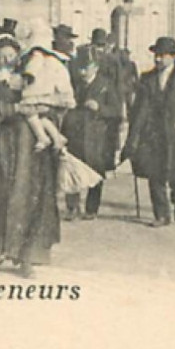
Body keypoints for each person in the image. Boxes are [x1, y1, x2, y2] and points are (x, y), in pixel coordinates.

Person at [0, 29, 69, 276]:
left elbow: (46, 98)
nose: (7, 60)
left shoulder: (28, 74)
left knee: (31, 198)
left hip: (29, 145)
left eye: (12, 55)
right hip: (1, 143)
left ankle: (27, 256)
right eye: (2, 56)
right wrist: (18, 107)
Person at [122, 36, 175, 226]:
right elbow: (138, 109)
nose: (158, 59)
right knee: (155, 173)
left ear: (172, 57)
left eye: (162, 56)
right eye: (156, 55)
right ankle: (161, 214)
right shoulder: (147, 78)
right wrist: (133, 135)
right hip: (152, 133)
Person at [65, 27, 123, 219]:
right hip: (75, 132)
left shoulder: (106, 84)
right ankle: (73, 207)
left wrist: (99, 108)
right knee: (72, 169)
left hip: (97, 134)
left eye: (86, 68)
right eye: (81, 68)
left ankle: (91, 208)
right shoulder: (74, 84)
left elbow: (116, 110)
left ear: (95, 67)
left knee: (95, 170)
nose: (82, 72)